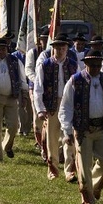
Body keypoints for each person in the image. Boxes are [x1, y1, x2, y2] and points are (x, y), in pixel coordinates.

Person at [59, 50, 103, 204]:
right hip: (82, 130)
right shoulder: (75, 81)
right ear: (85, 64)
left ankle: (92, 185)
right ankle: (86, 197)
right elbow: (66, 108)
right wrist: (66, 130)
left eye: (97, 65)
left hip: (102, 128)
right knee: (84, 164)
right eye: (91, 65)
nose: (95, 68)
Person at [34, 33, 79, 181]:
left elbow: (78, 86)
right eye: (56, 48)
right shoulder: (45, 65)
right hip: (51, 105)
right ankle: (52, 169)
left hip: (68, 105)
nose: (59, 51)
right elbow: (38, 88)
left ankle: (70, 170)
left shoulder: (73, 64)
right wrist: (40, 109)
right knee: (52, 139)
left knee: (68, 137)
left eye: (62, 48)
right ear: (52, 49)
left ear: (67, 49)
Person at [26, 27, 50, 155]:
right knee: (37, 116)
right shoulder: (33, 53)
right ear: (39, 40)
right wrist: (38, 81)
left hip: (51, 90)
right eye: (43, 39)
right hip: (35, 87)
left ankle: (48, 143)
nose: (45, 42)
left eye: (47, 39)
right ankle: (40, 142)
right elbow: (28, 70)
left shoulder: (53, 52)